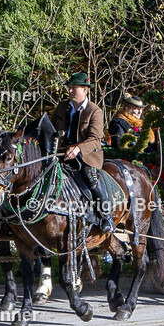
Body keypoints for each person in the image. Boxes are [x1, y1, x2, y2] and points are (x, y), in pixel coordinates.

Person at [53, 72, 114, 233]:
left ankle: (106, 216)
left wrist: (78, 148)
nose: (71, 91)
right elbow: (52, 130)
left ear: (85, 90)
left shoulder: (95, 111)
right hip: (61, 154)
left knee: (91, 178)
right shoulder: (61, 107)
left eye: (75, 88)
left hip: (86, 156)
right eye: (70, 88)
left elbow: (95, 139)